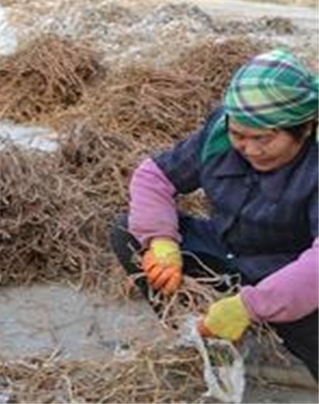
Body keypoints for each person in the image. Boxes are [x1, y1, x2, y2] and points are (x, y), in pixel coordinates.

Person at [110, 48, 318, 381]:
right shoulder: (220, 134)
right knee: (127, 232)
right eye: (240, 136)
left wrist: (251, 307)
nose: (249, 149)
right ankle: (195, 337)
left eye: (263, 139)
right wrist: (161, 241)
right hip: (227, 249)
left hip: (288, 270)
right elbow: (155, 176)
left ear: (305, 128)